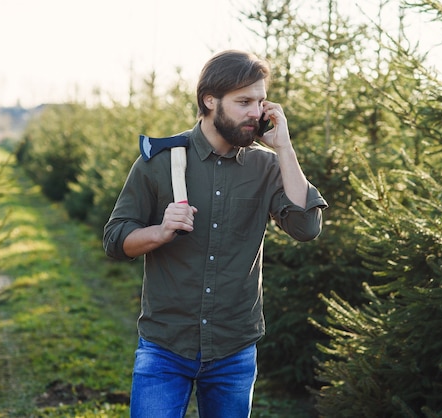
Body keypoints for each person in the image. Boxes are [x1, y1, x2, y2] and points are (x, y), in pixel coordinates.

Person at [103, 50, 327, 418]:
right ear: (210, 100)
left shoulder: (268, 166)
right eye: (243, 102)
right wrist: (159, 232)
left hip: (233, 349)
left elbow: (306, 227)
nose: (256, 112)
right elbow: (115, 240)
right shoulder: (160, 161)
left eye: (259, 101)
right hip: (165, 345)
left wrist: (285, 148)